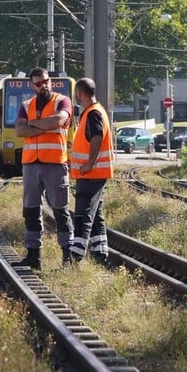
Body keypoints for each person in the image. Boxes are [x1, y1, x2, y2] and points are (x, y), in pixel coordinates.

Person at [14, 68, 73, 270]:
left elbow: (58, 120)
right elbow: (19, 130)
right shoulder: (26, 105)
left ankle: (68, 255)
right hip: (31, 164)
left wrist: (32, 125)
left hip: (55, 162)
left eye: (46, 81)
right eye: (39, 83)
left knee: (60, 210)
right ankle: (33, 255)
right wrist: (43, 125)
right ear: (32, 85)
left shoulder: (62, 101)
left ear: (51, 81)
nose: (44, 85)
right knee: (30, 210)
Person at [67, 77, 113, 264]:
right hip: (95, 174)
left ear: (79, 93)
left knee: (83, 214)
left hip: (91, 174)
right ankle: (100, 252)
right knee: (96, 215)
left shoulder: (93, 114)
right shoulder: (96, 111)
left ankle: (76, 255)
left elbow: (96, 138)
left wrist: (89, 164)